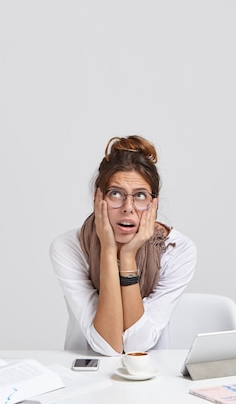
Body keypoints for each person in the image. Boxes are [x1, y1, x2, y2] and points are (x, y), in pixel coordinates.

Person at [50, 135, 197, 356]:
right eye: (116, 194)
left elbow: (136, 347)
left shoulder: (178, 250)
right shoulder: (69, 247)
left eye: (140, 196)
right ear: (97, 198)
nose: (128, 208)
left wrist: (128, 257)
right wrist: (109, 252)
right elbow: (109, 346)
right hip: (85, 372)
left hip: (151, 374)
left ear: (153, 203)